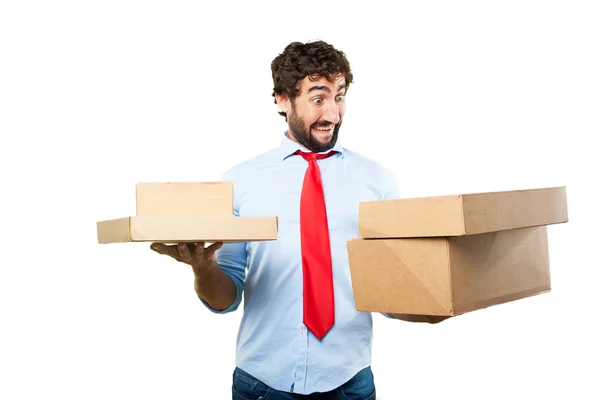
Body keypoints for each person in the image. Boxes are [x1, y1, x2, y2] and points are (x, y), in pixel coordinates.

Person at [150, 40, 447, 400]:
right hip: (263, 383)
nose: (333, 114)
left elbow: (388, 293)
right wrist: (203, 268)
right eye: (318, 98)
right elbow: (225, 299)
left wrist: (432, 308)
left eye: (340, 96)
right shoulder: (240, 182)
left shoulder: (378, 181)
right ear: (282, 99)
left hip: (349, 382)